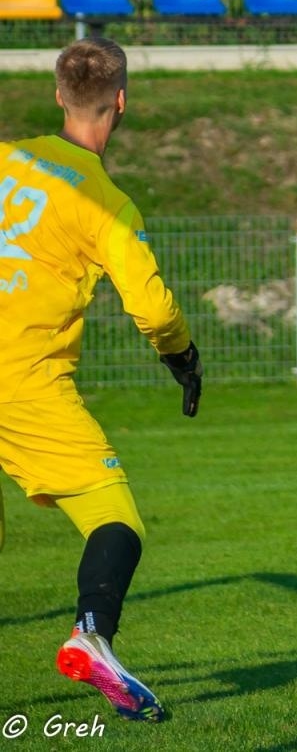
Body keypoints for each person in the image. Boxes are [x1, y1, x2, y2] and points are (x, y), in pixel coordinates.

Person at [0, 36, 203, 723]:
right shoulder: (106, 203)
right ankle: (91, 635)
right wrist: (183, 356)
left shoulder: (5, 158)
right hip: (20, 381)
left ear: (58, 94)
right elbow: (152, 309)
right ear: (120, 103)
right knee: (114, 514)